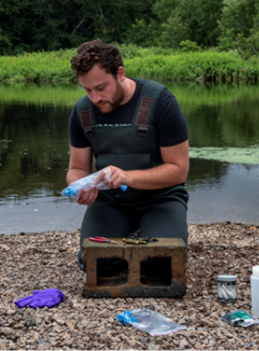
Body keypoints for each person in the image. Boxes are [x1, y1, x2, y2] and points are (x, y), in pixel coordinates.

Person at [67, 39, 189, 271]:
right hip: (110, 202)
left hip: (162, 199)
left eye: (101, 88)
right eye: (87, 90)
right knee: (97, 264)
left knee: (160, 265)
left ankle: (156, 231)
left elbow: (179, 170)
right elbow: (78, 168)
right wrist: (78, 186)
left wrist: (127, 177)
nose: (95, 98)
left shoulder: (161, 101)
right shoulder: (82, 112)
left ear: (120, 74)